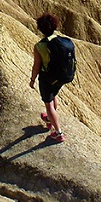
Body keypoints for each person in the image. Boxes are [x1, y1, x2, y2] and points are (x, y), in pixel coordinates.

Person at [29, 13, 66, 143]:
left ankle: (58, 132)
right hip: (60, 77)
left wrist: (32, 79)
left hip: (47, 78)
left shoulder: (39, 46)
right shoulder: (61, 41)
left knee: (48, 104)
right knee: (53, 96)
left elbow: (36, 66)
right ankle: (50, 119)